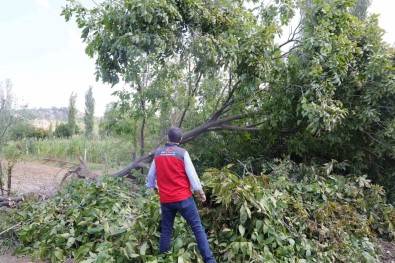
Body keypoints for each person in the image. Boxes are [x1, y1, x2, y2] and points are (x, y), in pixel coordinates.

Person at [146, 127, 217, 263]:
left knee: (166, 230)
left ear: (167, 137)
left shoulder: (158, 153)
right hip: (183, 199)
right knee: (197, 229)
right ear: (180, 139)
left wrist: (152, 186)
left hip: (166, 199)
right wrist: (200, 192)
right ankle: (210, 260)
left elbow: (151, 175)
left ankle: (162, 260)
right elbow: (192, 175)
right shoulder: (182, 153)